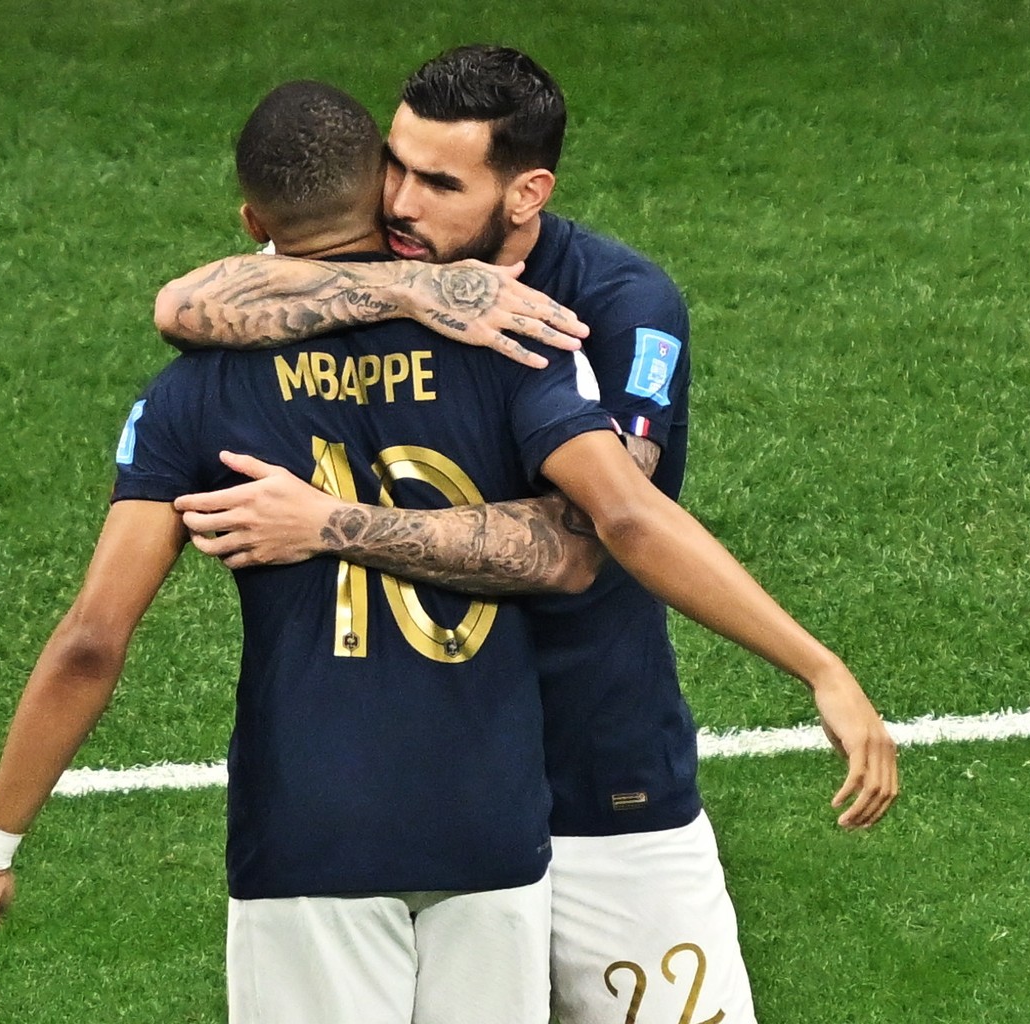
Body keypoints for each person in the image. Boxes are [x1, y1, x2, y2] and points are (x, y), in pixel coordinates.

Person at [155, 46, 899, 1024]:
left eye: (438, 180)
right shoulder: (382, 263)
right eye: (396, 164)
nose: (401, 202)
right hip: (445, 789)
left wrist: (820, 667)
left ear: (526, 192)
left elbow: (600, 526)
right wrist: (411, 294)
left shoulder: (619, 304)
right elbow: (183, 304)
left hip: (598, 775)